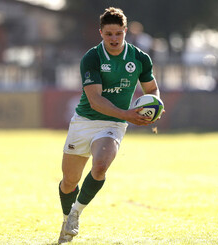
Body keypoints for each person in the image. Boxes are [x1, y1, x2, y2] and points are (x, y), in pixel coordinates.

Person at [57, 7, 162, 243]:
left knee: (101, 165)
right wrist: (127, 113)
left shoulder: (140, 58)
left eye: (118, 33)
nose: (114, 39)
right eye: (108, 34)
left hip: (113, 123)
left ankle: (75, 214)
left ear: (125, 31)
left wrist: (157, 105)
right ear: (101, 33)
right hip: (84, 121)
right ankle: (66, 219)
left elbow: (152, 89)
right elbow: (95, 101)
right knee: (68, 183)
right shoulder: (92, 57)